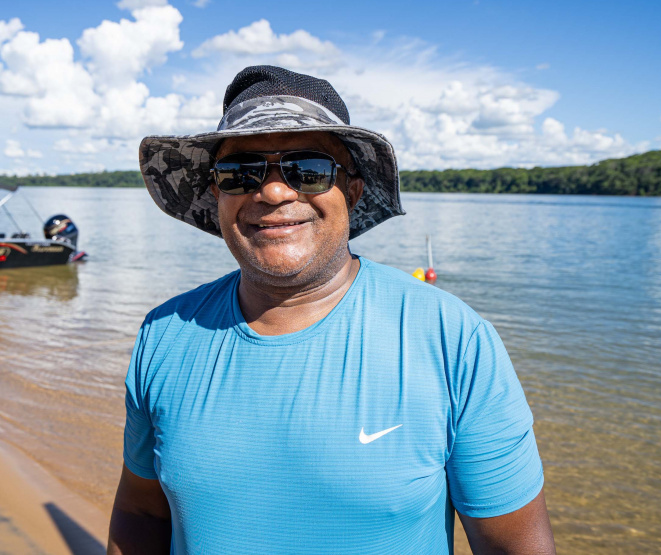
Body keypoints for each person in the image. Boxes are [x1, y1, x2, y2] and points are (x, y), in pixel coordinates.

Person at [109, 65, 555, 555]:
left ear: (354, 189)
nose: (274, 192)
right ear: (217, 193)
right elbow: (140, 511)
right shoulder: (165, 334)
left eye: (309, 169)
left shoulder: (453, 341)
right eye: (241, 172)